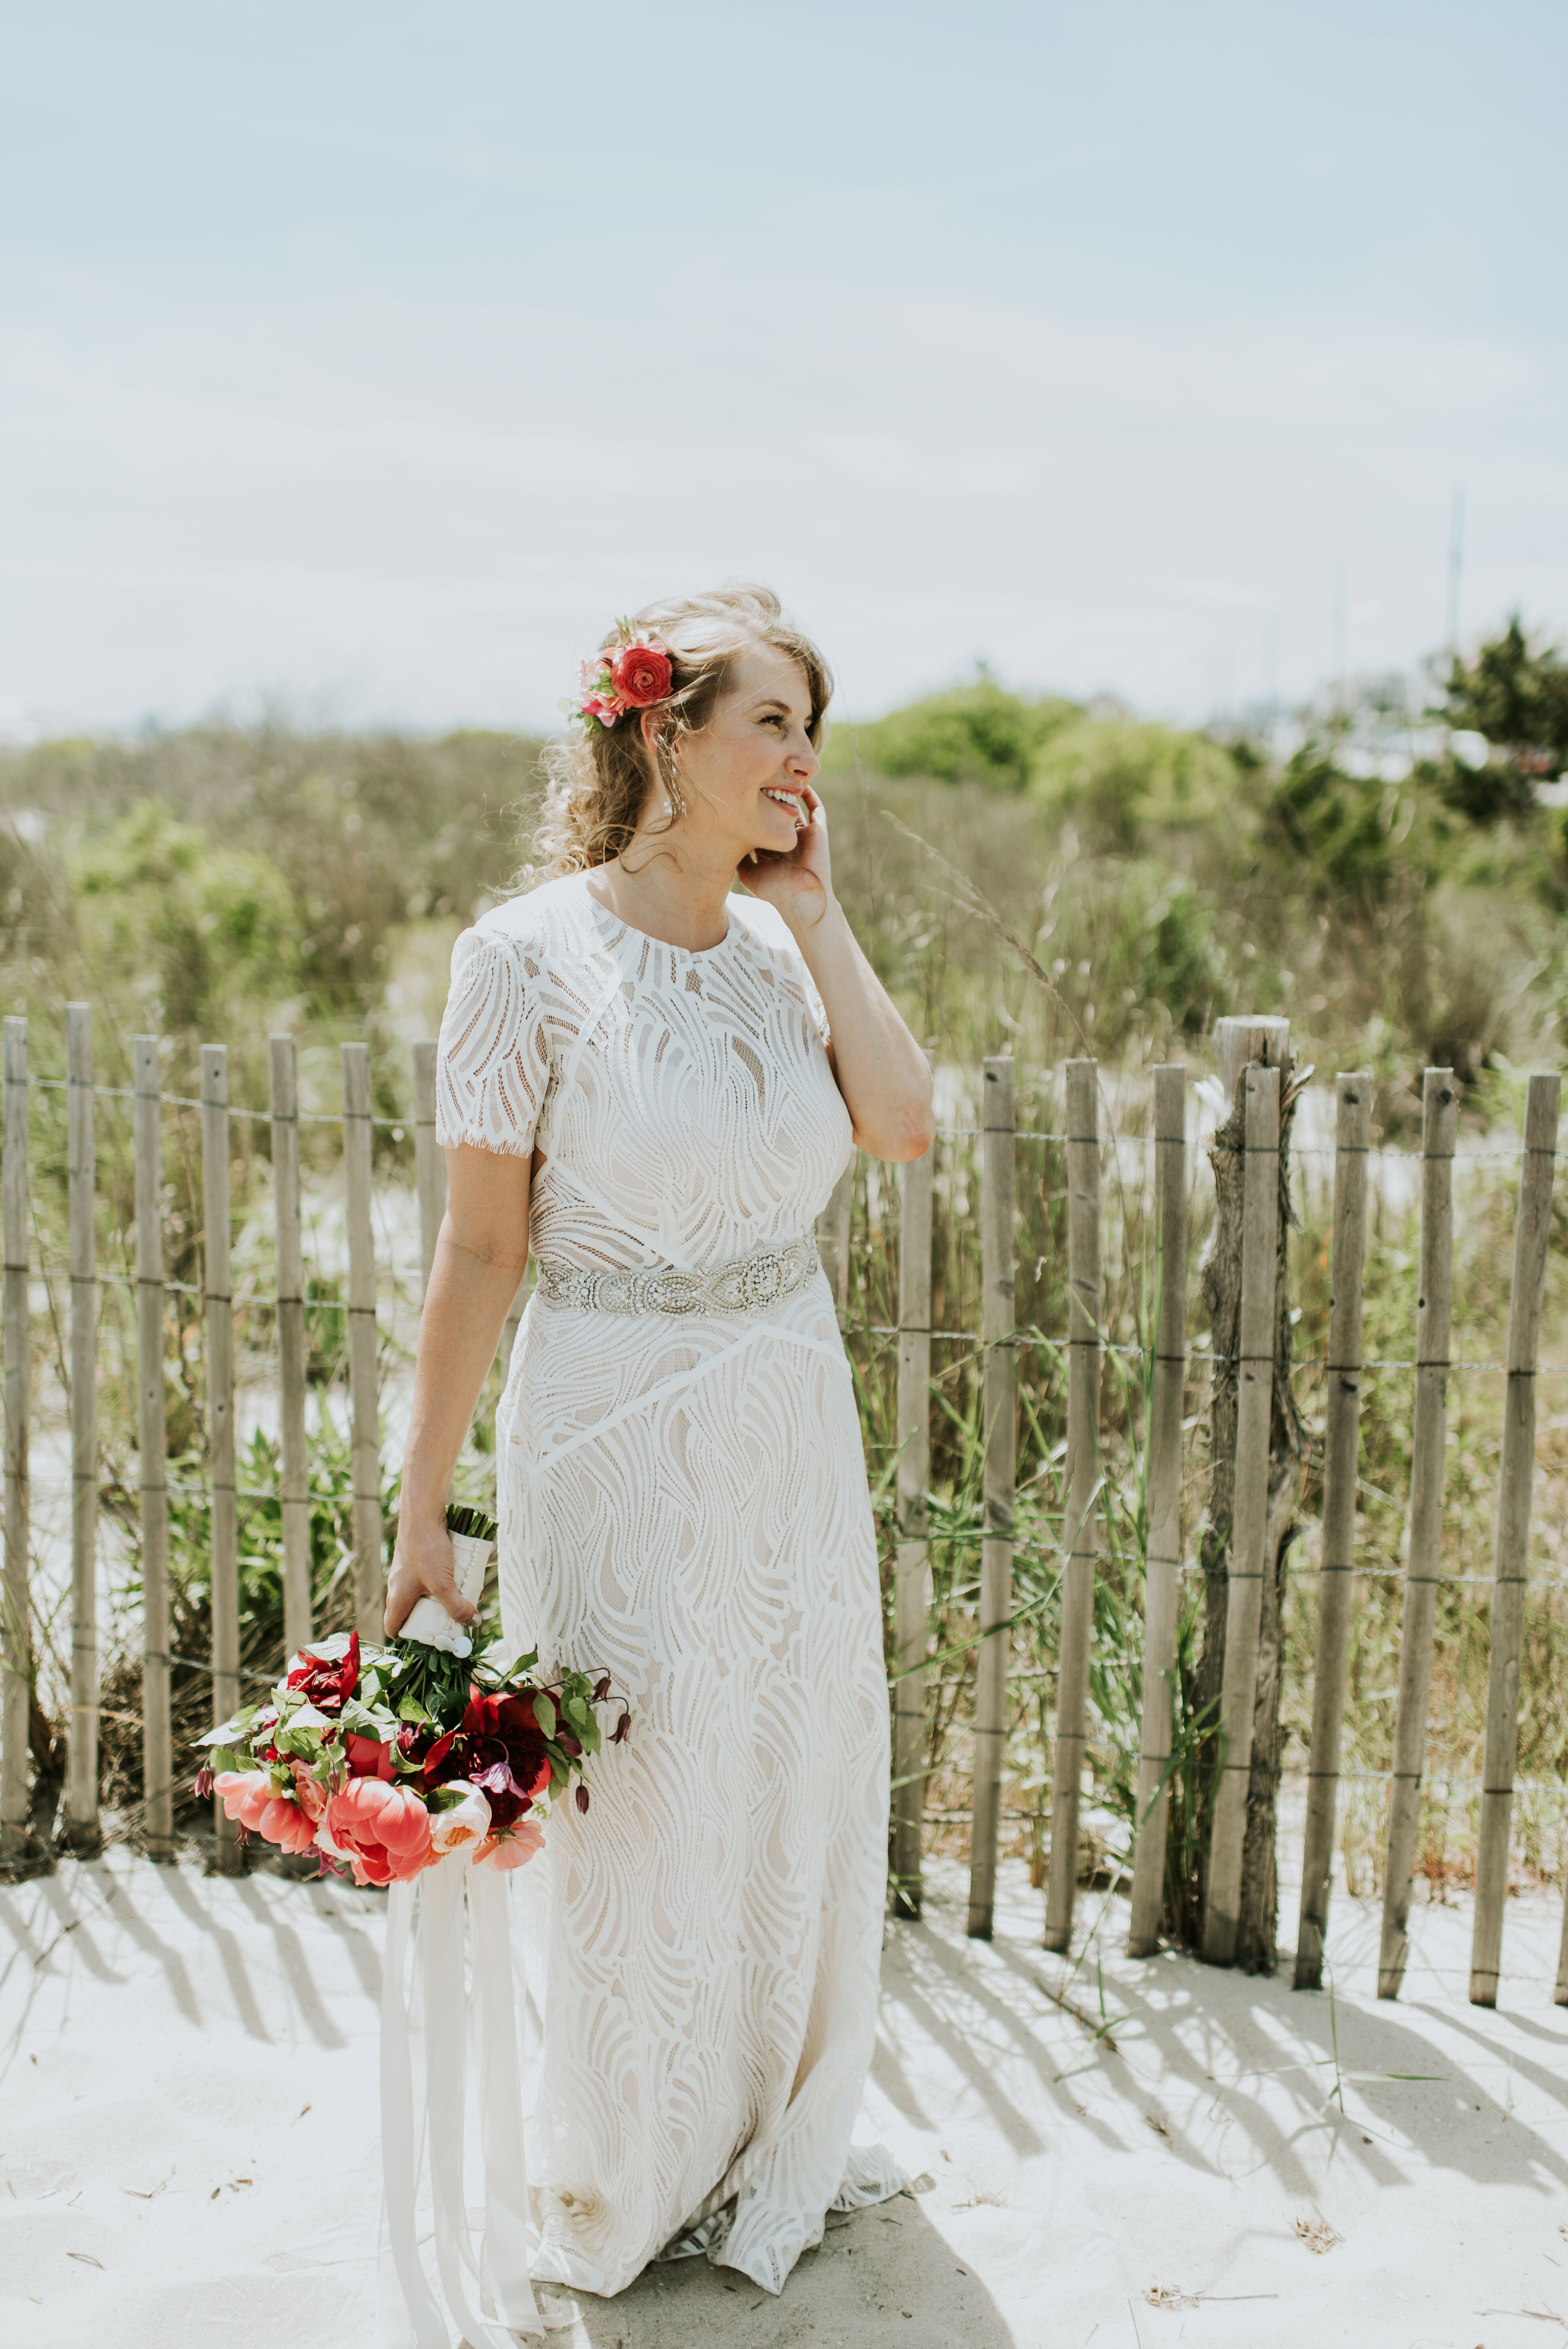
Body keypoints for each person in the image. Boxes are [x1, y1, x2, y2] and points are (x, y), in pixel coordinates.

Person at [385, 584, 935, 2299]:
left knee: (783, 1779)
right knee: (640, 1799)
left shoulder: (784, 949)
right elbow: (481, 1251)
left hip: (786, 1420)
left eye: (808, 728)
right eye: (766, 722)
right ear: (662, 732)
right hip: (609, 1429)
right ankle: (630, 2151)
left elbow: (905, 1125)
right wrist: (423, 1521)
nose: (799, 759)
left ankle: (761, 2119)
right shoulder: (524, 958)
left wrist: (823, 916)